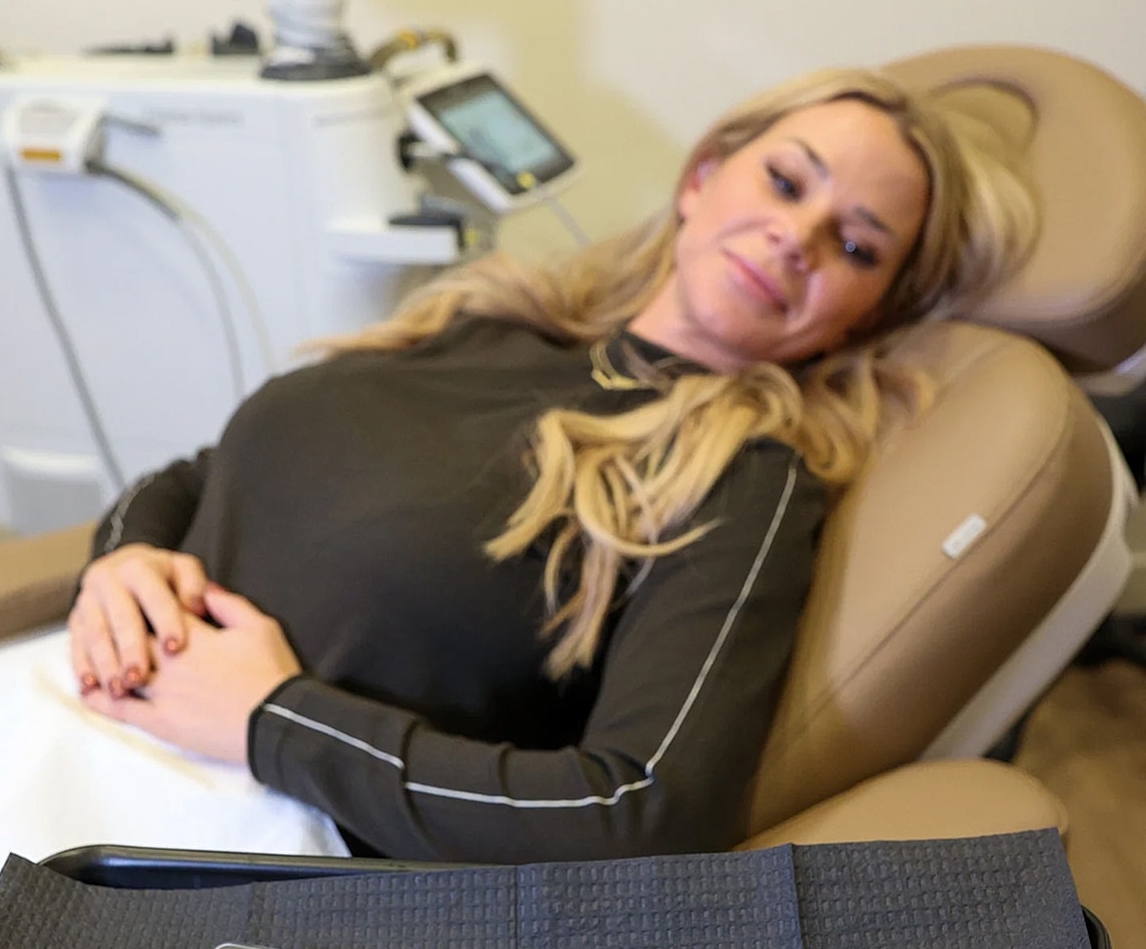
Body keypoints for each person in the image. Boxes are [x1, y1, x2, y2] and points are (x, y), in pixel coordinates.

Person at [65, 67, 1039, 864]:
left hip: (220, 843)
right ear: (703, 176)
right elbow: (207, 472)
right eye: (787, 182)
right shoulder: (486, 319)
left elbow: (649, 806)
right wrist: (122, 558)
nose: (798, 236)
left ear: (869, 313)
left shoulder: (742, 479)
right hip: (76, 714)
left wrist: (275, 722)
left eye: (857, 245)